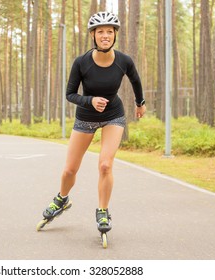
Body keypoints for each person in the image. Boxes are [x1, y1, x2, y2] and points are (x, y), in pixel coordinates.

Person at [39, 11, 146, 234]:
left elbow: (135, 80)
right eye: (100, 32)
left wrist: (140, 103)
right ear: (93, 36)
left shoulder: (124, 61)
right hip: (85, 118)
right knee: (70, 170)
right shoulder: (82, 63)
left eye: (109, 31)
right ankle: (61, 199)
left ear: (115, 35)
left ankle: (103, 211)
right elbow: (70, 94)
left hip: (113, 116)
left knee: (105, 165)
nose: (105, 35)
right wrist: (89, 100)